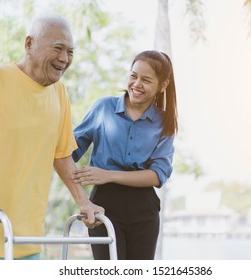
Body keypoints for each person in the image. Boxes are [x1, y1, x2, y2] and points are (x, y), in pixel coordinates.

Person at [0, 13, 103, 260]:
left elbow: (61, 156)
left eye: (70, 51)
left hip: (25, 241)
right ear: (29, 44)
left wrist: (83, 201)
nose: (64, 58)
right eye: (58, 48)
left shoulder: (59, 94)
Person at [71, 50, 178, 260]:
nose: (137, 84)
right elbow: (67, 152)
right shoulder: (103, 108)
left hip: (144, 210)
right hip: (103, 205)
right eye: (133, 75)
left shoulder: (164, 122)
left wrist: (108, 174)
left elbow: (158, 175)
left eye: (146, 80)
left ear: (162, 86)